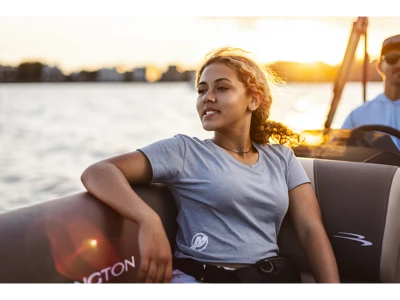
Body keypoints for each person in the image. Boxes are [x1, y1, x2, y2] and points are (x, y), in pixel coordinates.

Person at [81, 46, 340, 287]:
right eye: (202, 90)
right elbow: (98, 173)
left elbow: (310, 229)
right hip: (201, 279)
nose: (208, 97)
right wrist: (147, 219)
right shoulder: (184, 151)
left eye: (222, 88)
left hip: (266, 279)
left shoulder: (282, 158)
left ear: (253, 100)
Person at [341, 34, 400, 149]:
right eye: (392, 59)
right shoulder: (356, 116)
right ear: (379, 66)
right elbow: (339, 154)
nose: (399, 64)